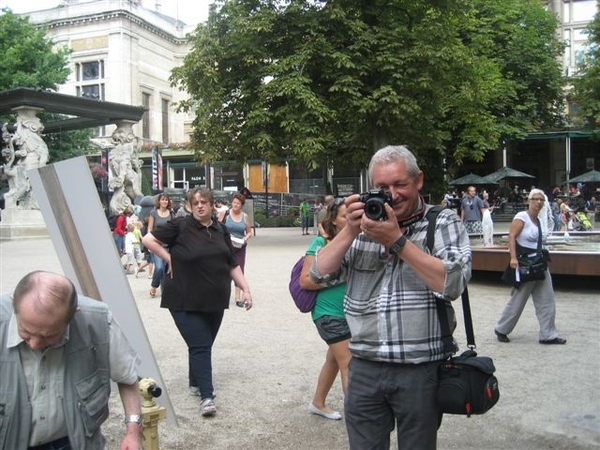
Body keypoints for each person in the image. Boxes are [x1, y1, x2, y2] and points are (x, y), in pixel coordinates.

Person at [312, 145, 471, 450]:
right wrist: (349, 232)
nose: (392, 195)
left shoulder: (442, 222)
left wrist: (396, 241)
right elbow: (318, 273)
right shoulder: (361, 227)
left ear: (419, 180)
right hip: (364, 366)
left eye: (400, 184)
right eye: (382, 187)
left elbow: (453, 282)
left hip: (419, 367)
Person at [142, 187, 254, 418]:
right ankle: (207, 396)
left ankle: (195, 382)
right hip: (183, 298)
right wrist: (169, 257)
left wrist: (246, 288)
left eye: (204, 202)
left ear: (212, 205)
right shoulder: (180, 226)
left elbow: (231, 262)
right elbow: (148, 239)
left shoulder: (220, 229)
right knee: (201, 344)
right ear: (189, 206)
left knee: (202, 344)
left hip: (214, 299)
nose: (200, 206)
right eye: (195, 203)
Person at [0, 271, 142, 449]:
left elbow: (127, 378)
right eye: (26, 331)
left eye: (48, 336)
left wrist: (133, 433)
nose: (35, 344)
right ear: (14, 303)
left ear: (74, 314)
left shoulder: (98, 322)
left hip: (74, 442)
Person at [299, 197, 350, 421]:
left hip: (350, 313)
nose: (350, 219)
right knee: (349, 363)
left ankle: (317, 403)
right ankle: (359, 417)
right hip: (328, 314)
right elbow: (305, 281)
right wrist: (339, 279)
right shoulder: (320, 244)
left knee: (334, 360)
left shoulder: (359, 242)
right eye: (344, 216)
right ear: (334, 220)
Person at [494, 189, 566, 345]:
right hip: (525, 265)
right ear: (529, 200)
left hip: (540, 264)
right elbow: (511, 237)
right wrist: (513, 258)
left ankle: (548, 334)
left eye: (541, 200)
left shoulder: (538, 220)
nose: (539, 202)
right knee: (518, 300)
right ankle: (501, 329)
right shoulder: (522, 217)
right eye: (536, 199)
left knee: (547, 299)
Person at [222, 192, 253, 306]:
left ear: (241, 205)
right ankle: (222, 294)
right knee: (224, 270)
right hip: (226, 246)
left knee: (239, 270)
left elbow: (249, 232)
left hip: (240, 246)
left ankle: (237, 298)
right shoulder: (225, 214)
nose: (235, 205)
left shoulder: (245, 217)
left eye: (238, 203)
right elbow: (218, 227)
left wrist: (245, 238)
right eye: (234, 202)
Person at [147, 193, 174, 297]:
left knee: (166, 268)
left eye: (166, 200)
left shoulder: (171, 213)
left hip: (168, 245)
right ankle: (154, 286)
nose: (164, 202)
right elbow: (150, 228)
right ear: (159, 201)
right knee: (159, 267)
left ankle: (164, 290)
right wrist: (149, 244)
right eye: (162, 200)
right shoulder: (153, 213)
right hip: (156, 244)